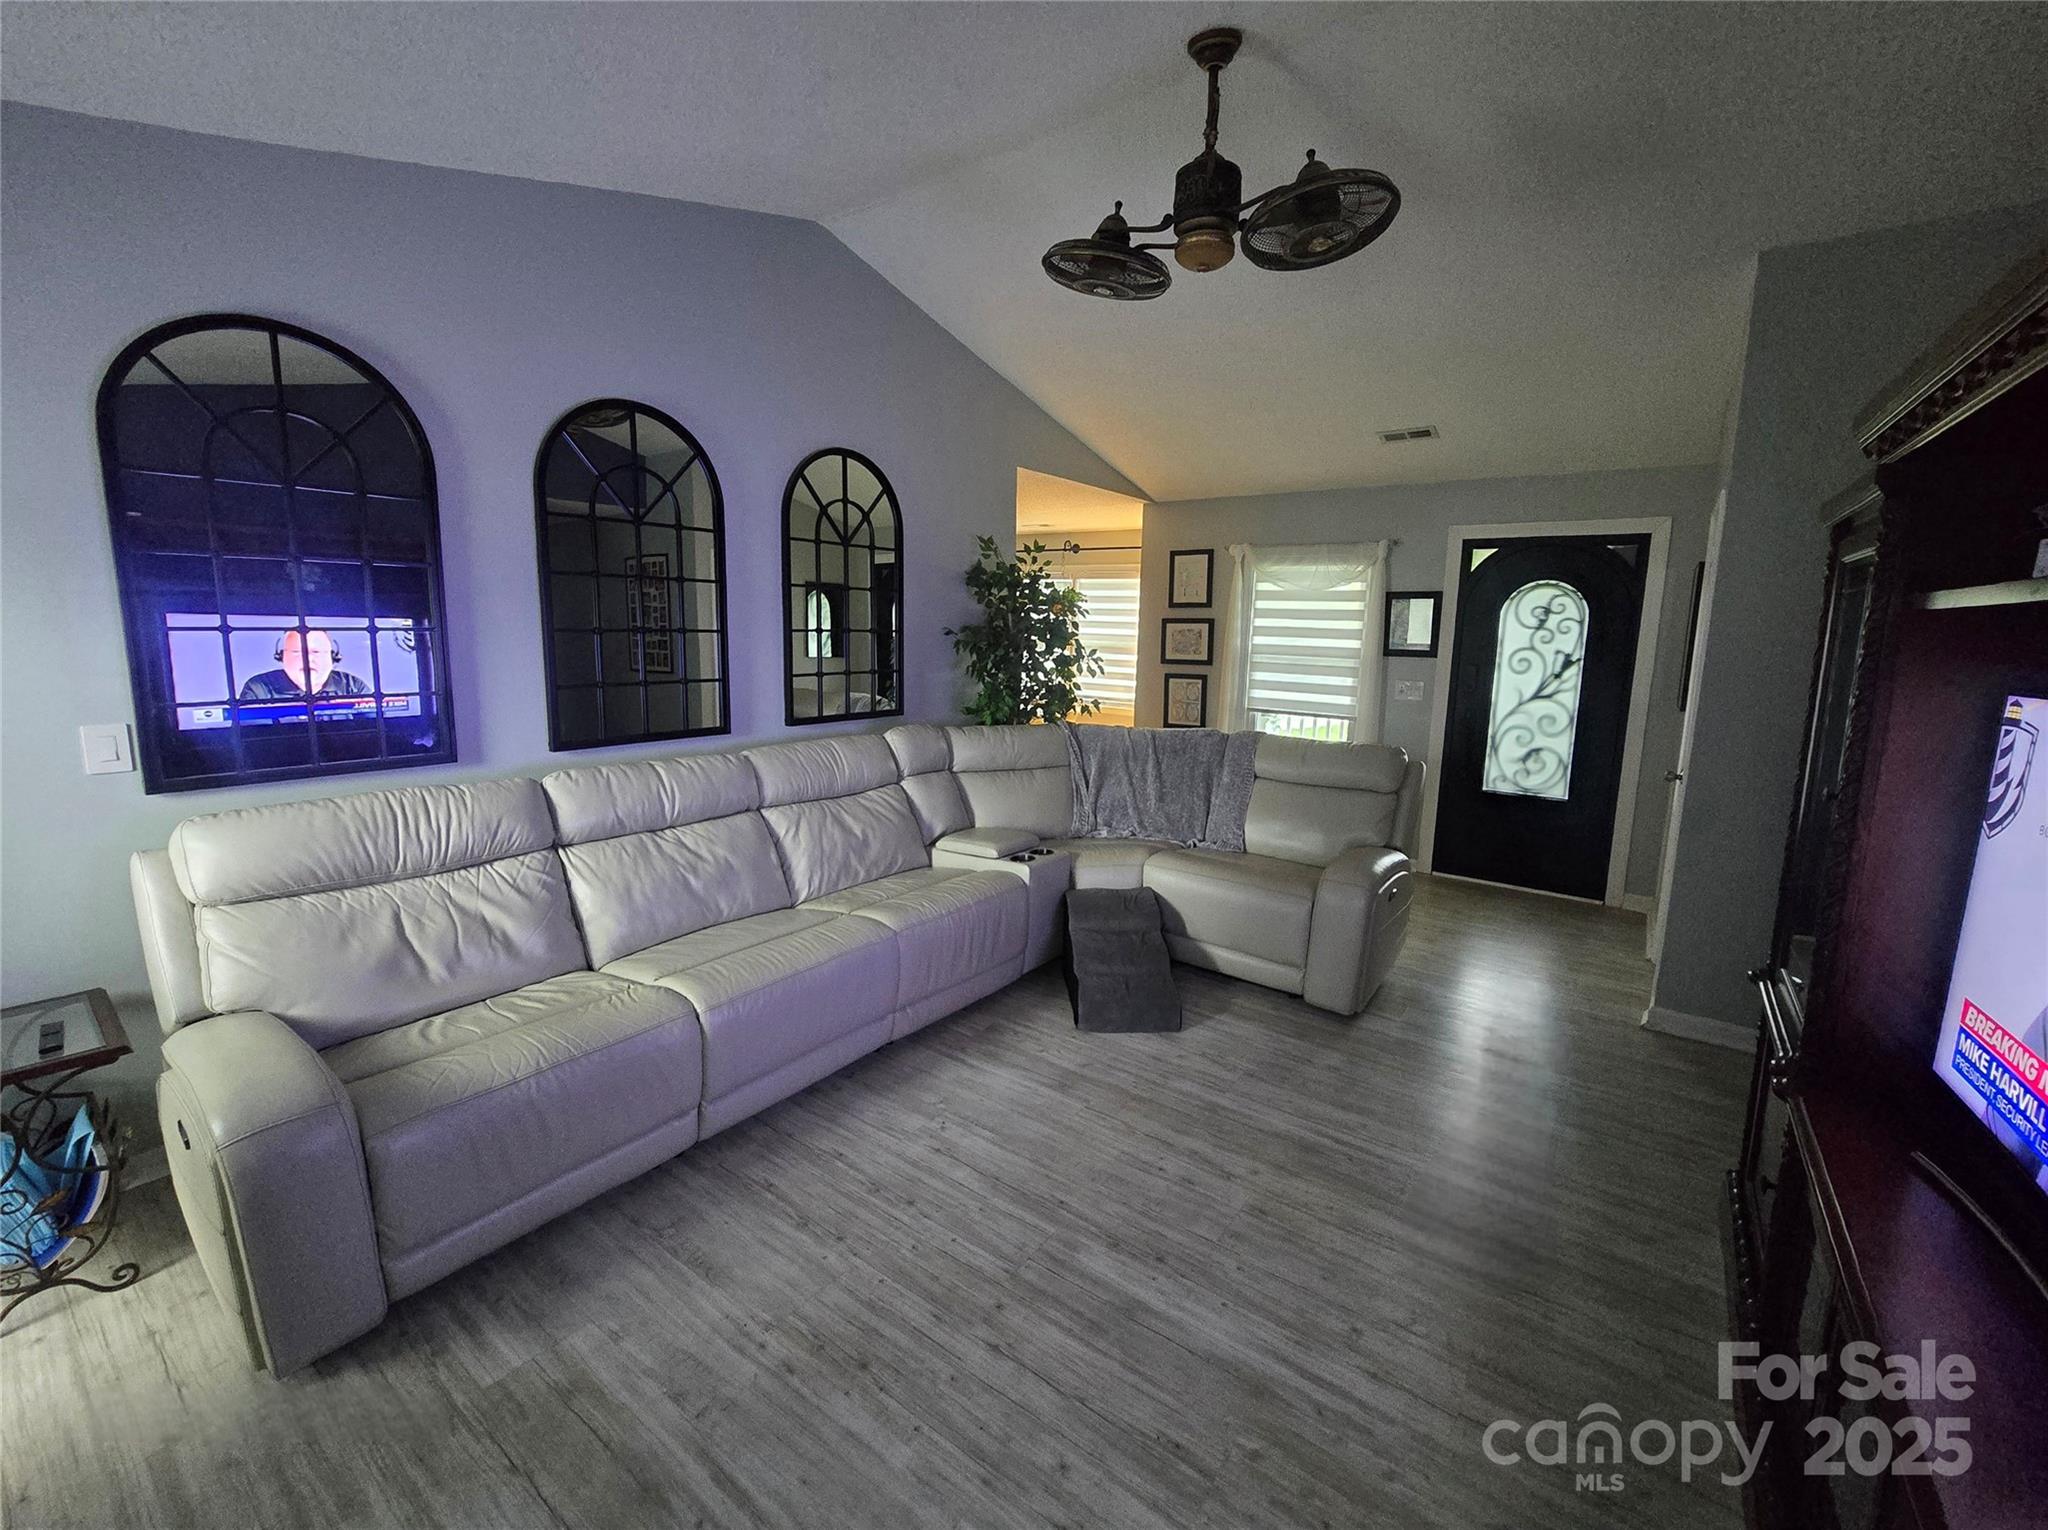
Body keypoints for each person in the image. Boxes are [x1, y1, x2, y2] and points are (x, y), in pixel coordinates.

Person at [237, 628, 372, 701]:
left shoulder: (353, 687)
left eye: (316, 652)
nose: (308, 659)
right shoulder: (258, 689)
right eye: (297, 652)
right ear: (282, 657)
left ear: (333, 657)